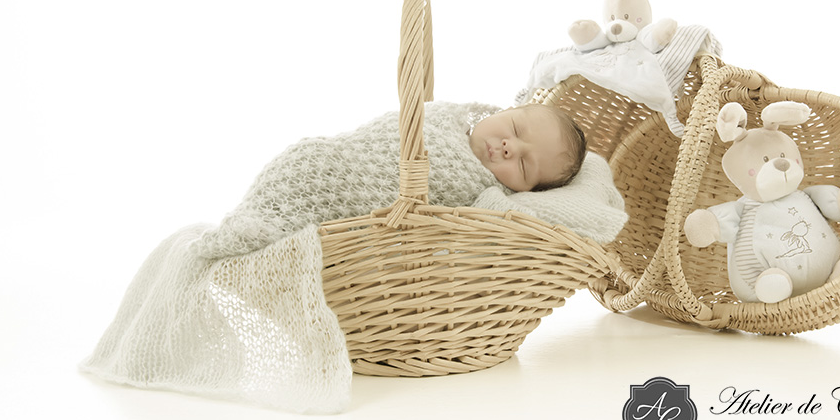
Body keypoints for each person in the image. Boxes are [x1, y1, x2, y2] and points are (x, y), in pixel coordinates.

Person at [192, 101, 587, 259]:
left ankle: (261, 231)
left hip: (352, 207)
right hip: (330, 160)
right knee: (310, 161)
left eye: (524, 165)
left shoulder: (487, 194)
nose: (508, 147)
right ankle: (254, 219)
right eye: (514, 128)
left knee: (304, 224)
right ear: (502, 110)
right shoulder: (446, 116)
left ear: (525, 190)